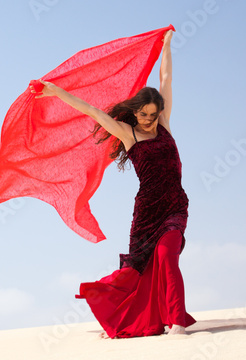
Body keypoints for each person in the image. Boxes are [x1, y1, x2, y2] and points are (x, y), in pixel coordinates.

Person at [30, 30, 196, 338]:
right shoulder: (126, 133)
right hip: (147, 212)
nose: (150, 119)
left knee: (166, 256)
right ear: (134, 112)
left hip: (174, 205)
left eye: (154, 114)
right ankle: (133, 317)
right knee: (138, 270)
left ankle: (177, 322)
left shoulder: (165, 126)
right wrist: (57, 93)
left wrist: (167, 45)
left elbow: (167, 80)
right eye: (145, 114)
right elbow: (91, 110)